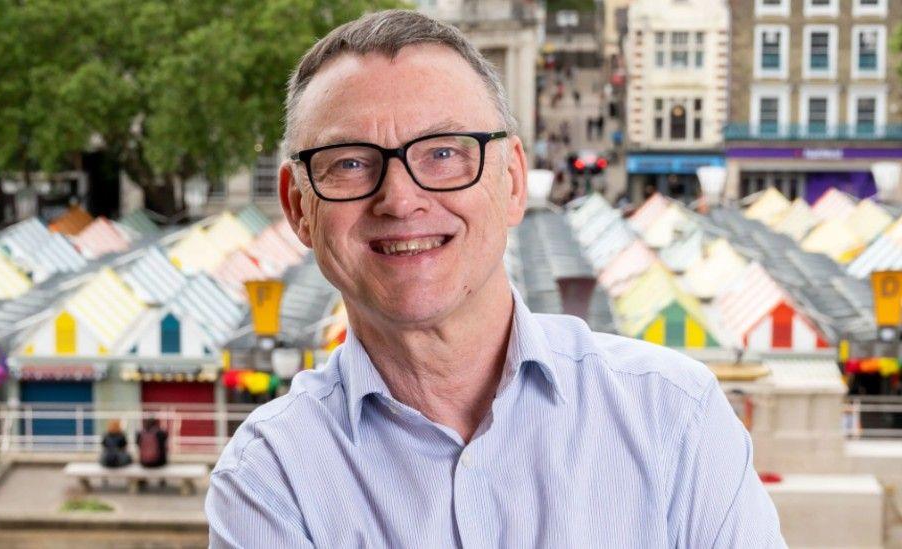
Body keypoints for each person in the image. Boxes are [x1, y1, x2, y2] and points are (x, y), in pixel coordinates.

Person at [207, 10, 785, 548]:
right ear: (297, 206)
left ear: (512, 182)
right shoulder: (268, 476)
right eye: (351, 163)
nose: (401, 199)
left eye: (443, 154)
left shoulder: (675, 415)